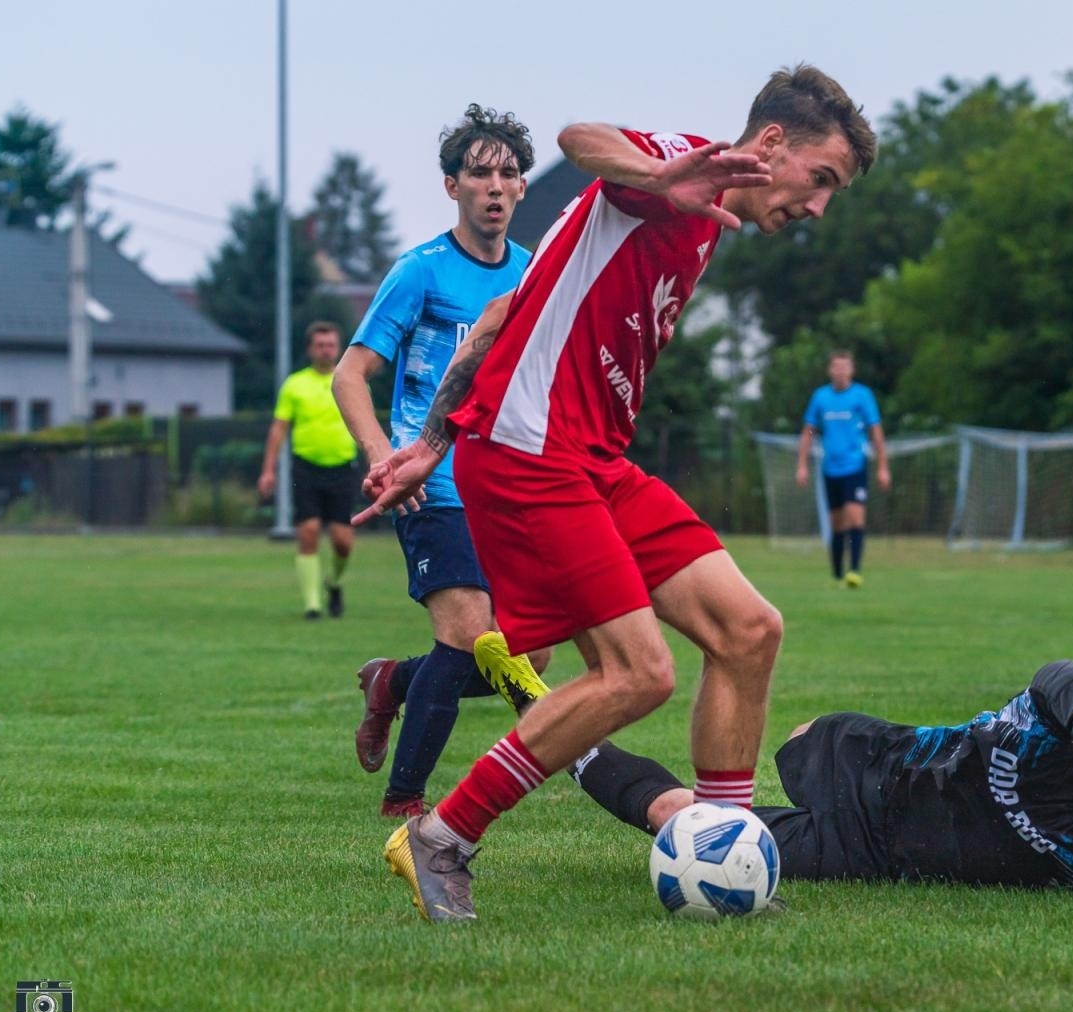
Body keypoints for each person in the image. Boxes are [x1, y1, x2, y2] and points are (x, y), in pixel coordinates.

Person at [360, 64, 878, 922]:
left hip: (589, 460)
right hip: (532, 454)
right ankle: (442, 836)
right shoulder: (683, 174)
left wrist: (428, 442)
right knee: (638, 672)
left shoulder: (701, 222)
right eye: (821, 180)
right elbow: (578, 141)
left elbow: (498, 321)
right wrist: (665, 174)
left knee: (749, 629)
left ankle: (727, 854)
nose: (819, 207)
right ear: (773, 145)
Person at [571, 652, 1073, 917]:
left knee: (687, 824)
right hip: (876, 759)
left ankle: (560, 731)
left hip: (865, 850)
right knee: (795, 741)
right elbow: (1060, 676)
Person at [331, 105, 552, 818]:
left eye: (509, 173)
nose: (495, 185)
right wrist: (385, 457)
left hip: (506, 487)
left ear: (522, 189)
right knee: (464, 633)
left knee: (530, 657)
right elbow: (349, 374)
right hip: (432, 485)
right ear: (451, 185)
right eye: (480, 172)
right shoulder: (419, 272)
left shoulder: (533, 275)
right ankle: (406, 803)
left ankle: (392, 683)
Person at [258, 322, 358, 620]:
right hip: (306, 468)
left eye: (330, 344)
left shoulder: (351, 380)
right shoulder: (294, 384)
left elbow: (362, 423)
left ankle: (334, 583)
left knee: (342, 540)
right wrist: (268, 470)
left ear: (338, 347)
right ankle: (312, 605)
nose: (325, 349)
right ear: (310, 348)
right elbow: (278, 429)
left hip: (343, 467)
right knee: (309, 532)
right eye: (320, 344)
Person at [795, 350, 890, 587]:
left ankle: (854, 571)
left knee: (855, 518)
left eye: (845, 367)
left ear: (851, 370)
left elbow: (875, 431)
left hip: (855, 466)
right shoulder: (821, 397)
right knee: (837, 523)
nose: (840, 371)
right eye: (836, 367)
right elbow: (809, 431)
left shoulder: (862, 396)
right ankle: (837, 574)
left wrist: (882, 466)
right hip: (831, 469)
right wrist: (802, 465)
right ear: (830, 370)